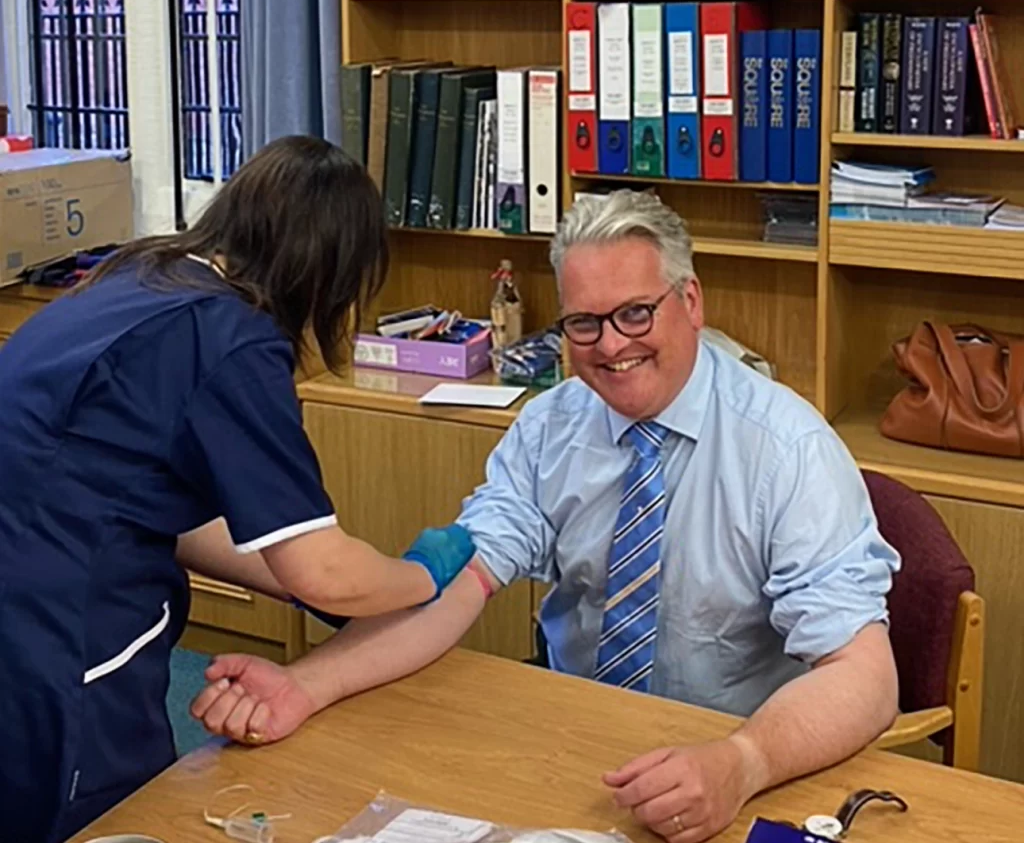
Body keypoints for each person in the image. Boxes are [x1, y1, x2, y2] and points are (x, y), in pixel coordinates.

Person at [191, 189, 902, 843]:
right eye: (583, 323)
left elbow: (865, 678)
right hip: (580, 752)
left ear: (691, 300)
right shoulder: (551, 426)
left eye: (635, 312)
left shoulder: (789, 450)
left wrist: (742, 760)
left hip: (735, 765)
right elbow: (460, 582)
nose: (612, 345)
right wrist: (304, 685)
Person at [0, 135, 475, 843]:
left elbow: (151, 503)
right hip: (60, 629)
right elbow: (326, 570)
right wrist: (418, 575)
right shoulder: (232, 338)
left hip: (28, 582)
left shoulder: (142, 276)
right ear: (332, 270)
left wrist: (304, 582)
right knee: (100, 816)